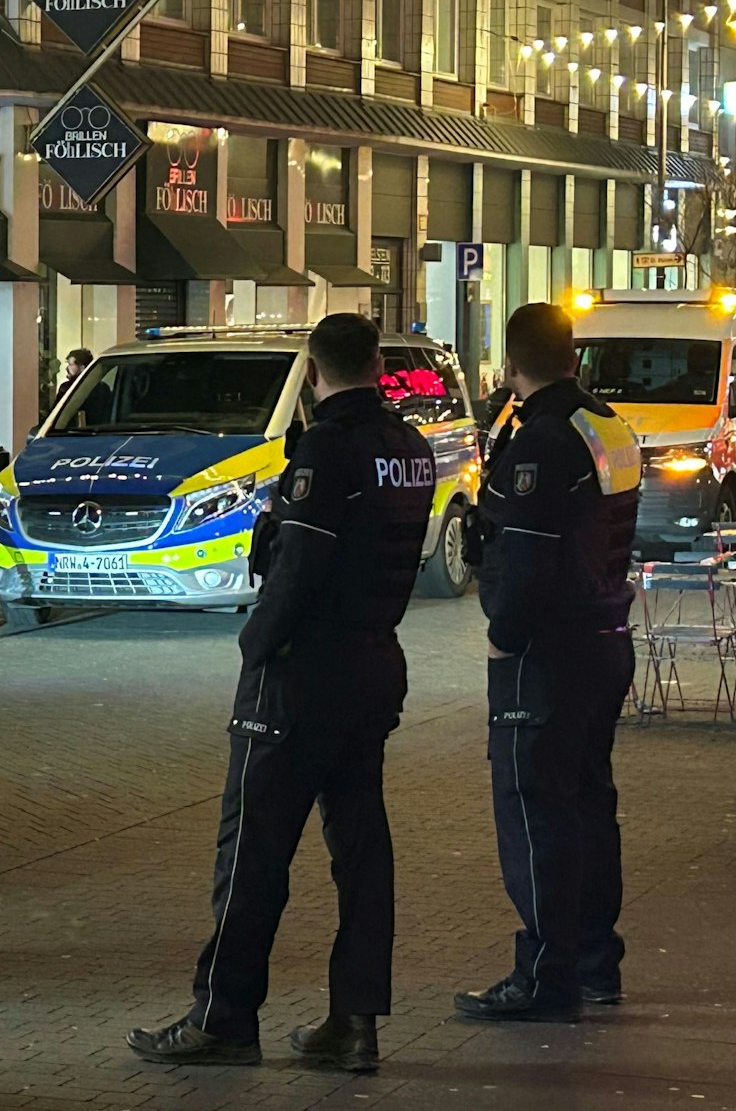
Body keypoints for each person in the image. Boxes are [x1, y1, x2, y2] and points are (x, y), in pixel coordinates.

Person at [127, 313, 435, 1072]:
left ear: (314, 370)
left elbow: (296, 571)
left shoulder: (326, 450)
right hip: (373, 668)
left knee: (253, 853)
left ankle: (225, 1016)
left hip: (301, 678)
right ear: (376, 365)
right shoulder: (410, 449)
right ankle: (354, 1020)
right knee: (362, 854)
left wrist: (254, 648)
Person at [455, 302, 639, 1023]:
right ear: (572, 355)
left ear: (511, 363)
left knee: (534, 808)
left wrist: (503, 633)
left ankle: (544, 974)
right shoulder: (606, 426)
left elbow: (529, 559)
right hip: (603, 638)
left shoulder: (540, 442)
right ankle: (595, 961)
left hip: (546, 653)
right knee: (590, 804)